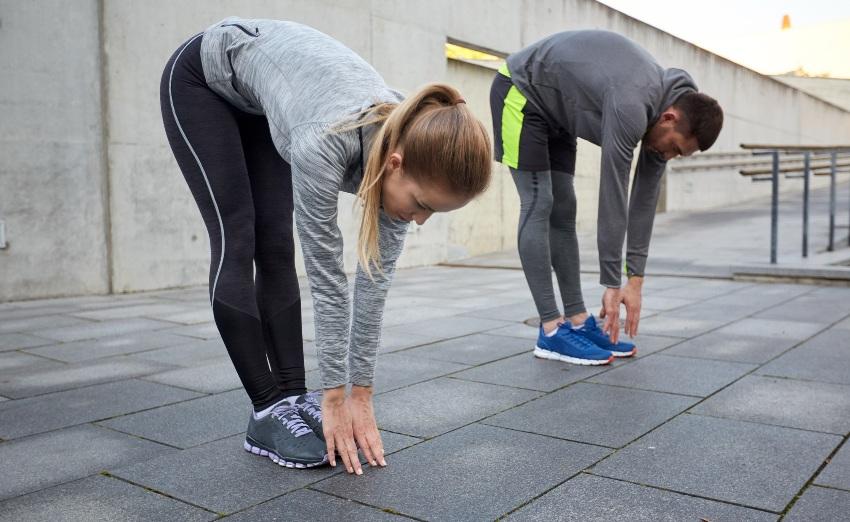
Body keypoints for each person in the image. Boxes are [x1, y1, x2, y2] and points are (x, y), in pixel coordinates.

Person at [161, 17, 491, 474]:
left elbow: (373, 284)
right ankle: (266, 411)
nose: (418, 220)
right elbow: (329, 278)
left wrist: (362, 393)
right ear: (394, 164)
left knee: (276, 245)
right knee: (239, 234)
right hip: (203, 80)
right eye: (420, 205)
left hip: (267, 97)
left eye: (432, 213)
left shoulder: (410, 143)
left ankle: (295, 395)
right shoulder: (326, 139)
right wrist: (336, 392)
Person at [489, 30, 723, 365]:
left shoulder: (668, 114)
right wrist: (612, 282)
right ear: (669, 118)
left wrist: (636, 280)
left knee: (565, 208)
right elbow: (614, 192)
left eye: (679, 154)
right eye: (674, 147)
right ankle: (551, 330)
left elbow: (643, 201)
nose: (669, 155)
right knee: (539, 201)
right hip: (520, 89)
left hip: (556, 111)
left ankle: (577, 319)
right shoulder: (632, 105)